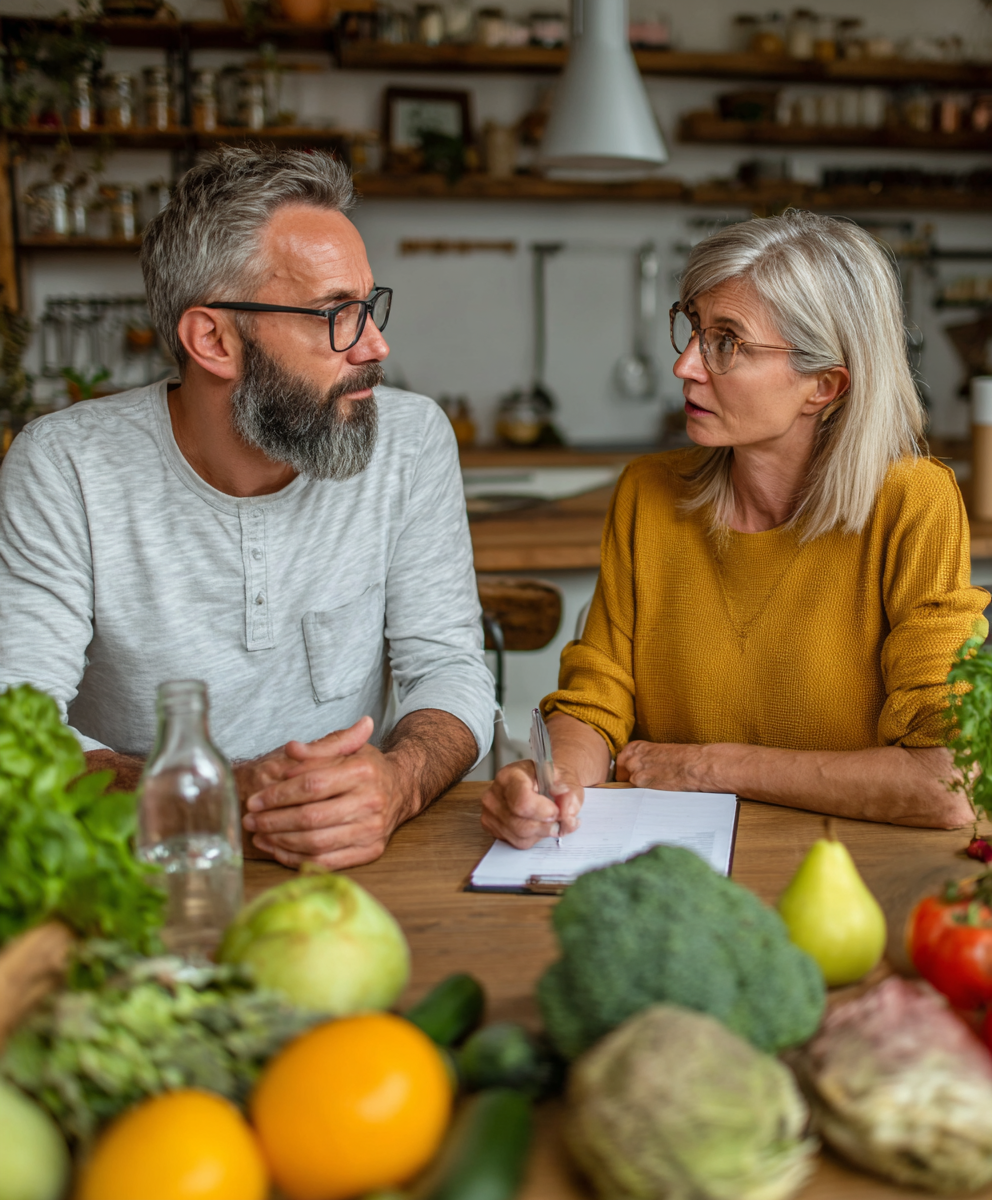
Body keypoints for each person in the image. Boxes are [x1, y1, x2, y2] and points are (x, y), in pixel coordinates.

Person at [0, 146, 495, 869]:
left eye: (369, 306)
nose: (377, 345)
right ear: (213, 339)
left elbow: (447, 664)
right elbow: (18, 723)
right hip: (133, 872)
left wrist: (399, 781)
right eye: (336, 315)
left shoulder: (410, 440)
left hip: (350, 873)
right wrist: (217, 797)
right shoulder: (65, 467)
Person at [482, 210, 989, 847]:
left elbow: (951, 780)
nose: (687, 365)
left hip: (848, 874)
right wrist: (550, 783)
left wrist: (708, 766)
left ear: (823, 385)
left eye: (727, 341)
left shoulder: (914, 504)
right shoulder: (647, 493)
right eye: (693, 329)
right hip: (672, 868)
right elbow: (594, 705)